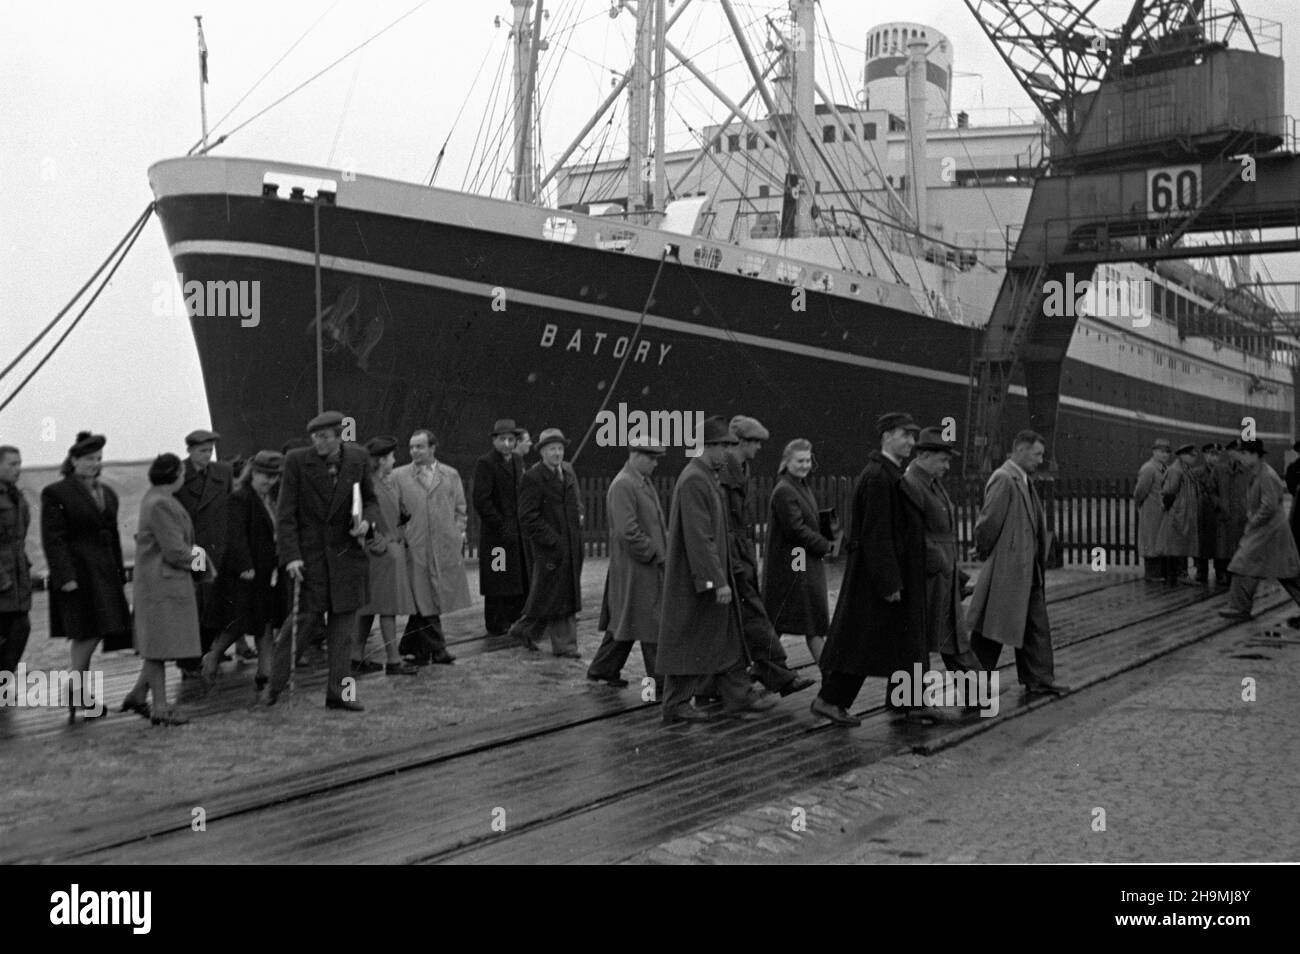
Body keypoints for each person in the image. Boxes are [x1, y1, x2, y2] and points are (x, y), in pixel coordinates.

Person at [656, 416, 776, 724]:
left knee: (717, 637)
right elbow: (700, 536)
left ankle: (735, 697)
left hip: (703, 577)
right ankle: (678, 705)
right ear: (707, 446)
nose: (728, 452)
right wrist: (715, 581)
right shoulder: (696, 479)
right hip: (697, 580)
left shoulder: (704, 475)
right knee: (690, 638)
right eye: (724, 446)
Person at [812, 413, 925, 727]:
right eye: (906, 435)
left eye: (914, 437)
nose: (911, 443)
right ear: (887, 436)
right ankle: (829, 700)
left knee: (897, 641)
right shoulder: (878, 476)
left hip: (886, 575)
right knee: (863, 642)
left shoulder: (886, 473)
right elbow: (877, 534)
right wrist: (889, 582)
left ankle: (908, 702)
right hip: (878, 579)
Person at [264, 411, 378, 711]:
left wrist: (367, 524)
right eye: (314, 437)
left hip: (347, 558)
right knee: (301, 625)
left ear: (340, 436)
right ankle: (273, 688)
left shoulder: (358, 457)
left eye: (325, 437)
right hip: (310, 561)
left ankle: (339, 694)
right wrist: (290, 557)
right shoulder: (298, 462)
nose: (319, 443)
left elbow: (370, 501)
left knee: (343, 633)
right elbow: (285, 514)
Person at [966, 430, 1068, 698]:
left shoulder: (1023, 480)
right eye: (1037, 454)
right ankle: (972, 689)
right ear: (1019, 450)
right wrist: (984, 550)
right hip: (1009, 570)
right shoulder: (1004, 478)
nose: (1040, 460)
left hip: (1028, 569)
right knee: (992, 631)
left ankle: (1040, 679)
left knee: (1035, 627)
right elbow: (987, 523)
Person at [40, 431, 132, 721]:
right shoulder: (57, 492)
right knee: (86, 630)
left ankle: (76, 688)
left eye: (99, 459)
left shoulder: (107, 492)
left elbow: (113, 535)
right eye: (89, 459)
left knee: (97, 628)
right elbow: (53, 538)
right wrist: (64, 575)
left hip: (104, 571)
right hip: (78, 573)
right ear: (74, 460)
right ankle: (76, 688)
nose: (95, 464)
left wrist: (119, 572)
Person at [720, 416, 813, 696]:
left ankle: (718, 682)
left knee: (741, 620)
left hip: (741, 553)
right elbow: (722, 520)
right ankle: (779, 674)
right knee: (752, 616)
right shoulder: (726, 472)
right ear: (741, 442)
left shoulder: (740, 468)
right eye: (755, 443)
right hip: (732, 555)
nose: (759, 448)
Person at [121, 454, 203, 726]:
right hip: (163, 584)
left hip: (159, 583)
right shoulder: (161, 504)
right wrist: (204, 563)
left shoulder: (156, 498)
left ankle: (137, 694)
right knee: (157, 648)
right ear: (176, 474)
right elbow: (175, 549)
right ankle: (160, 707)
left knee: (156, 643)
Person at [202, 450, 285, 691]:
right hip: (245, 572)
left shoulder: (269, 499)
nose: (268, 480)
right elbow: (235, 534)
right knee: (238, 622)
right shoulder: (241, 497)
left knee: (266, 621)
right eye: (263, 475)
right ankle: (213, 656)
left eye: (273, 476)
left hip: (267, 570)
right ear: (252, 473)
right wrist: (244, 565)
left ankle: (265, 671)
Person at [901, 427, 981, 673]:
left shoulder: (932, 483)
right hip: (928, 577)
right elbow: (914, 535)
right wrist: (945, 567)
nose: (947, 466)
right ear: (923, 456)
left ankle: (976, 692)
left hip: (940, 575)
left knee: (943, 637)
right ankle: (977, 692)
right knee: (923, 641)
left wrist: (954, 574)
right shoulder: (912, 484)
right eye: (943, 460)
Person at [588, 441, 667, 690]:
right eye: (652, 459)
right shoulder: (624, 484)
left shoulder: (639, 481)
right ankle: (661, 683)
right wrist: (653, 552)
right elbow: (627, 530)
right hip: (637, 567)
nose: (656, 464)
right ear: (636, 456)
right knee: (650, 621)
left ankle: (603, 668)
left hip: (640, 566)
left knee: (627, 619)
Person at [392, 429, 471, 665]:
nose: (415, 451)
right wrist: (402, 536)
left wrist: (457, 532)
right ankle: (438, 649)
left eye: (420, 446)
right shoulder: (399, 476)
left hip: (444, 545)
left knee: (430, 597)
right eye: (412, 447)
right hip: (415, 546)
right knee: (424, 597)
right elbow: (394, 510)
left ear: (432, 448)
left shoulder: (450, 475)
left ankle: (411, 646)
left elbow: (460, 507)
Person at [510, 428, 585, 657]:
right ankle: (565, 646)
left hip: (572, 543)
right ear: (542, 452)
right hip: (549, 548)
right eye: (552, 449)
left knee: (553, 594)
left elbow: (576, 500)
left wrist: (580, 515)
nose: (557, 453)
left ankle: (525, 630)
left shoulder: (568, 471)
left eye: (560, 448)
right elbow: (527, 516)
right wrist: (552, 540)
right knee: (557, 594)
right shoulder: (533, 477)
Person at [762, 438, 833, 666]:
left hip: (801, 562)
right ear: (787, 462)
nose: (804, 465)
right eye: (799, 461)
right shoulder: (785, 490)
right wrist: (824, 545)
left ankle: (764, 669)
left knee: (782, 622)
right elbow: (796, 530)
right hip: (795, 564)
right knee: (808, 622)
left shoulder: (799, 486)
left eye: (807, 460)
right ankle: (827, 675)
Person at [354, 437, 419, 676]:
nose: (394, 460)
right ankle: (393, 660)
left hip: (388, 550)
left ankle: (356, 655)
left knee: (370, 608)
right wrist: (377, 543)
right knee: (387, 609)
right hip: (381, 553)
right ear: (382, 460)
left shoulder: (387, 483)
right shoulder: (369, 486)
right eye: (391, 456)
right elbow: (360, 517)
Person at [1218, 440, 1300, 624]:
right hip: (1269, 532)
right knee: (1286, 573)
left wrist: (1253, 521)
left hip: (1268, 531)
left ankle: (1239, 607)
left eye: (1245, 453)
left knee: (1243, 564)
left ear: (1256, 455)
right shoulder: (1259, 473)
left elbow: (1269, 506)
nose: (1242, 457)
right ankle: (1238, 606)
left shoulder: (1266, 475)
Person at [173, 429, 234, 676]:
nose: (206, 455)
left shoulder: (223, 472)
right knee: (194, 605)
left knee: (214, 602)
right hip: (193, 548)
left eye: (210, 451)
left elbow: (230, 507)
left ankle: (207, 651)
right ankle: (188, 661)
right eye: (201, 451)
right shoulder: (177, 473)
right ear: (189, 450)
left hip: (217, 546)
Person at [472, 420, 531, 637]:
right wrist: (501, 525)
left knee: (515, 575)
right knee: (498, 577)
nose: (507, 444)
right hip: (497, 535)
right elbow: (482, 501)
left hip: (515, 531)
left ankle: (513, 617)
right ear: (494, 440)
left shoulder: (516, 460)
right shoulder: (486, 463)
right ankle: (496, 622)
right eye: (502, 439)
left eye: (511, 440)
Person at [0, 445, 32, 675]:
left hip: (17, 573)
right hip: (3, 576)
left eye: (19, 463)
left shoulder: (16, 495)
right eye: (12, 464)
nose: (18, 469)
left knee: (21, 627)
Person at [1156, 443, 1200, 585]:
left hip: (1183, 513)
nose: (1195, 458)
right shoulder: (1176, 470)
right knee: (1173, 546)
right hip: (1177, 513)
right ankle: (1171, 579)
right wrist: (1171, 509)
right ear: (1182, 455)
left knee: (1178, 546)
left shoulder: (1185, 469)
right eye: (1191, 455)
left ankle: (1176, 577)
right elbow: (1169, 492)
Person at [1134, 439, 1171, 581]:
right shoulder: (1148, 468)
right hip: (1151, 512)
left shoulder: (1165, 469)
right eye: (1161, 451)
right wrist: (1142, 506)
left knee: (1159, 542)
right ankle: (1152, 574)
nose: (1164, 455)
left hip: (1162, 513)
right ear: (1154, 451)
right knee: (1150, 542)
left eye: (1167, 452)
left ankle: (1158, 573)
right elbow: (1140, 492)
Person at [1215, 440, 1250, 589]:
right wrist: (1218, 503)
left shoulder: (1248, 470)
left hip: (1242, 517)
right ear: (1229, 452)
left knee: (1240, 547)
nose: (1239, 454)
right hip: (1224, 516)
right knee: (1223, 548)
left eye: (1241, 451)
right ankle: (1223, 574)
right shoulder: (1219, 469)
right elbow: (1211, 489)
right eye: (1236, 451)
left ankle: (1238, 576)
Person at [1191, 444, 1223, 584]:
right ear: (1205, 455)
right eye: (1211, 454)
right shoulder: (1196, 473)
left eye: (1217, 454)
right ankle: (1201, 572)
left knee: (1219, 545)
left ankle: (1220, 572)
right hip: (1202, 514)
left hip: (1218, 515)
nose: (1214, 457)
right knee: (1202, 545)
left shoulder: (1223, 472)